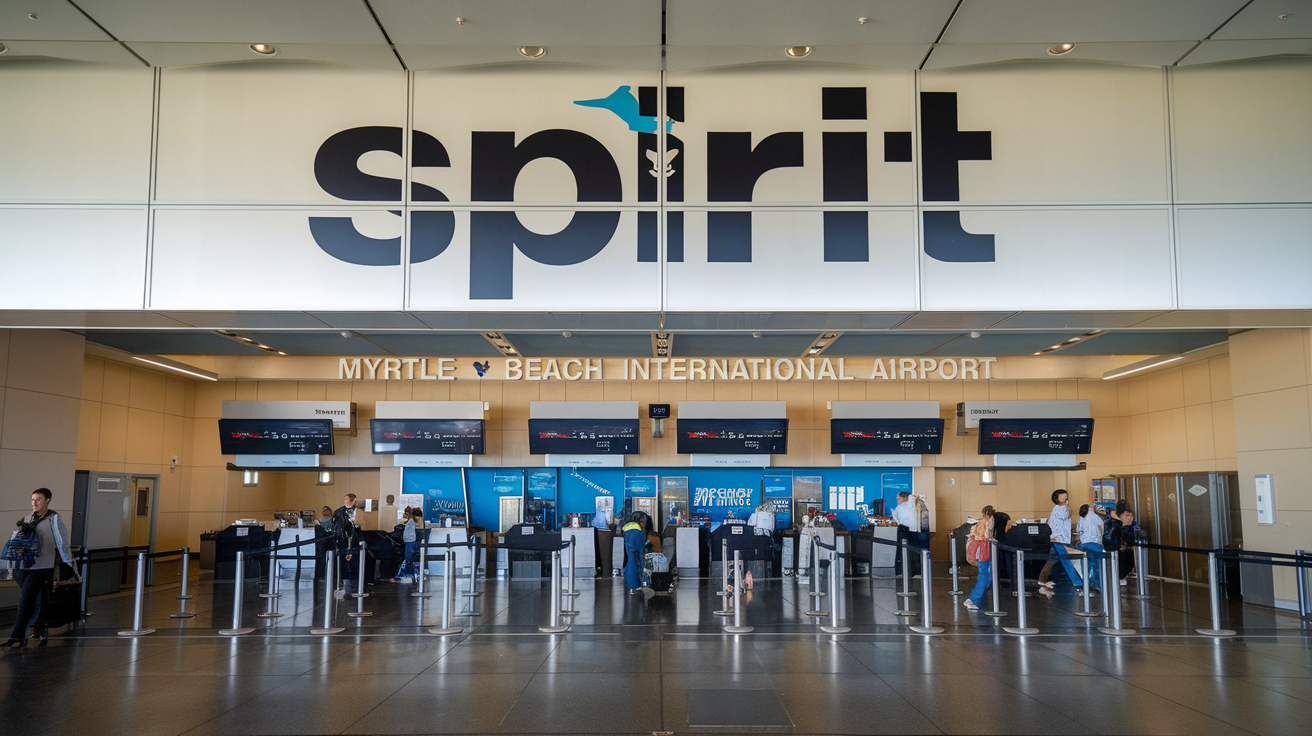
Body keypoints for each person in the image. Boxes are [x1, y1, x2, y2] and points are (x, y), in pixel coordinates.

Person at [4, 488, 75, 649]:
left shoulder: (54, 519)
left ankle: (17, 636)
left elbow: (62, 542)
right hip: (25, 566)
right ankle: (39, 627)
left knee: (26, 599)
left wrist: (70, 565)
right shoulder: (28, 518)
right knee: (38, 599)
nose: (34, 502)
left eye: (38, 499)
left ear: (47, 500)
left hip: (43, 566)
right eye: (32, 499)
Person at [1036, 489, 1076, 596]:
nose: (1064, 498)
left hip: (1059, 539)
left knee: (1053, 560)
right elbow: (1065, 516)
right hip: (1059, 539)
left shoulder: (1060, 508)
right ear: (1057, 499)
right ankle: (1077, 584)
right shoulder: (1060, 509)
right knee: (1066, 561)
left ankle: (1043, 581)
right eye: (1062, 497)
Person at [962, 506, 996, 611]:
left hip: (978, 553)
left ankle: (977, 597)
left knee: (986, 576)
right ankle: (972, 599)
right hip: (984, 553)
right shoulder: (989, 523)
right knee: (983, 577)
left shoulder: (979, 524)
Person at [1104, 507, 1140, 584]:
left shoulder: (1133, 526)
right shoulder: (1114, 525)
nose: (1130, 518)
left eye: (1131, 516)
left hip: (1128, 552)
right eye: (1127, 515)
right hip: (1117, 552)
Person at [890, 491, 920, 577]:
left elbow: (899, 519)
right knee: (913, 553)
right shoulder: (914, 506)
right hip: (914, 531)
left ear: (903, 498)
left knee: (903, 552)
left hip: (904, 531)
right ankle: (914, 572)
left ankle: (903, 571)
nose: (897, 500)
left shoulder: (902, 507)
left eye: (898, 498)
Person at [1076, 503, 1105, 592]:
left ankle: (1086, 585)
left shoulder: (1080, 519)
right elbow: (1102, 527)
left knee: (1086, 566)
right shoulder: (1095, 516)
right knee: (1097, 565)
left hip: (1084, 544)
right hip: (1095, 544)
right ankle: (1098, 585)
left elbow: (1078, 531)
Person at [333, 493, 360, 586]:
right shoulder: (339, 512)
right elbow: (336, 526)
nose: (345, 501)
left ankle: (354, 578)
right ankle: (342, 578)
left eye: (347, 499)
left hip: (355, 539)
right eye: (344, 499)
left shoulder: (359, 511)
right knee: (342, 559)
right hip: (342, 539)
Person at [621, 511, 650, 594]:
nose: (644, 524)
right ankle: (638, 585)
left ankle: (632, 586)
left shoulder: (627, 526)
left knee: (630, 562)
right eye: (643, 522)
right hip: (636, 545)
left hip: (628, 550)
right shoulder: (637, 531)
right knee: (637, 562)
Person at [390, 508, 416, 583]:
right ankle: (408, 574)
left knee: (408, 558)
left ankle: (405, 575)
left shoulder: (412, 521)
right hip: (408, 540)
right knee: (408, 558)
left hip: (410, 541)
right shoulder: (410, 521)